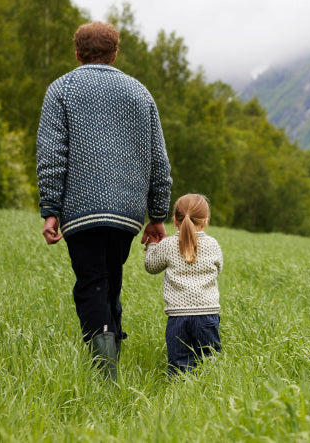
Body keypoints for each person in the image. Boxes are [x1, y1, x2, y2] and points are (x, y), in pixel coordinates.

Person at [37, 21, 172, 381]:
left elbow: (51, 156)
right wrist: (157, 213)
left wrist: (50, 210)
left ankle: (105, 374)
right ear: (115, 53)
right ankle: (112, 353)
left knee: (92, 282)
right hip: (127, 212)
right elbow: (158, 159)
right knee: (110, 280)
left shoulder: (60, 90)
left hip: (78, 210)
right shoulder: (139, 93)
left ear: (77, 53)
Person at [144, 193, 223, 376]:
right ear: (204, 221)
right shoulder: (212, 244)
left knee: (180, 366)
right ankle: (208, 395)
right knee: (209, 362)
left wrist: (152, 246)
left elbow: (151, 266)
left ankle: (180, 398)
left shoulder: (168, 245)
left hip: (178, 318)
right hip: (207, 314)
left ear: (175, 221)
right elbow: (217, 269)